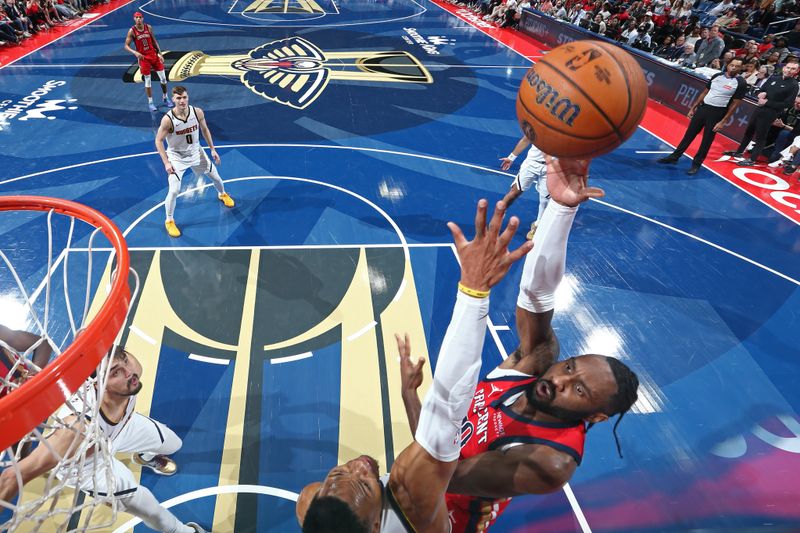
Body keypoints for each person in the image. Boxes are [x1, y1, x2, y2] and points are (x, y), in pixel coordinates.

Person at [398, 159, 640, 532]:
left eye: (578, 389)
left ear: (595, 416)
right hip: (417, 476)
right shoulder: (537, 363)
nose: (559, 378)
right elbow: (537, 295)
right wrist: (560, 210)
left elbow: (442, 471)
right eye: (570, 367)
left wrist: (411, 399)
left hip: (440, 522)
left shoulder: (550, 461)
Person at [295, 198, 534, 532]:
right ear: (376, 526)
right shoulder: (412, 499)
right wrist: (474, 292)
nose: (358, 467)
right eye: (364, 484)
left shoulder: (314, 504)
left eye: (339, 472)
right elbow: (446, 414)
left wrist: (410, 396)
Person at [0, 346, 209, 533]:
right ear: (99, 383)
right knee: (146, 504)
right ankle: (180, 530)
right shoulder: (76, 428)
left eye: (125, 361)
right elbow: (11, 477)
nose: (129, 373)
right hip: (87, 464)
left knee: (174, 444)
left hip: (121, 428)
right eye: (116, 372)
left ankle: (145, 457)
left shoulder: (130, 377)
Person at [155, 86, 235, 238]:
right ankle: (169, 220)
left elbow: (205, 130)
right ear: (173, 99)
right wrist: (166, 162)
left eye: (184, 97)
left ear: (188, 97)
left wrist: (212, 149)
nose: (182, 101)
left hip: (196, 152)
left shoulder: (197, 112)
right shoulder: (168, 120)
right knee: (174, 190)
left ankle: (222, 194)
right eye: (178, 98)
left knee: (216, 177)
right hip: (177, 157)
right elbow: (158, 141)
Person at [658, 58, 747, 174]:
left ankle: (696, 164)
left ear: (741, 68)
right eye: (732, 65)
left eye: (737, 66)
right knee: (689, 134)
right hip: (703, 109)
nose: (733, 67)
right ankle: (674, 156)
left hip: (718, 113)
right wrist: (693, 107)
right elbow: (705, 92)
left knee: (707, 140)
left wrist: (723, 121)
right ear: (728, 65)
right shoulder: (717, 76)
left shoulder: (740, 83)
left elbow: (735, 104)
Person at [725, 61, 800, 165]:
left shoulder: (794, 85)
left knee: (761, 136)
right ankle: (739, 152)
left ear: (796, 71)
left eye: (793, 69)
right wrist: (760, 93)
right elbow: (761, 89)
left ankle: (752, 159)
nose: (789, 70)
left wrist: (767, 102)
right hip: (759, 108)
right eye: (788, 67)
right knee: (749, 131)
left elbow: (787, 104)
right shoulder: (774, 78)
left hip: (771, 113)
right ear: (784, 68)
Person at [499, 136, 551, 239]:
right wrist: (511, 158)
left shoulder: (564, 129)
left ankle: (537, 225)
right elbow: (525, 140)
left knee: (545, 200)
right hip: (532, 163)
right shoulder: (539, 124)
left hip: (551, 167)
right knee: (514, 192)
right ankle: (498, 216)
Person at [124, 11, 172, 112]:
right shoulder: (132, 31)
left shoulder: (148, 27)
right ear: (134, 19)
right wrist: (135, 53)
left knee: (163, 78)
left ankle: (165, 97)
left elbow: (154, 41)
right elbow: (126, 46)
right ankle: (150, 102)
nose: (138, 19)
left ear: (143, 18)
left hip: (154, 56)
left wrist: (160, 54)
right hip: (143, 58)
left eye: (140, 17)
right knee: (148, 80)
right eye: (136, 17)